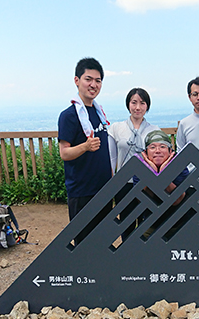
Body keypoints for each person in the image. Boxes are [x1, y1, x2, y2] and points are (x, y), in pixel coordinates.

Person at [58, 57, 112, 242]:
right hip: (82, 192)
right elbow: (64, 153)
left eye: (98, 81)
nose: (93, 84)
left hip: (103, 188)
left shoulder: (98, 113)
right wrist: (85, 147)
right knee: (84, 245)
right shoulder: (69, 116)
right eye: (88, 79)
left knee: (103, 242)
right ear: (77, 81)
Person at [108, 88, 159, 174]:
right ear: (128, 104)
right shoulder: (116, 128)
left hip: (147, 181)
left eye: (142, 103)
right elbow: (111, 158)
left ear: (147, 106)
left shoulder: (154, 130)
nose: (138, 108)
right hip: (122, 180)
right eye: (134, 103)